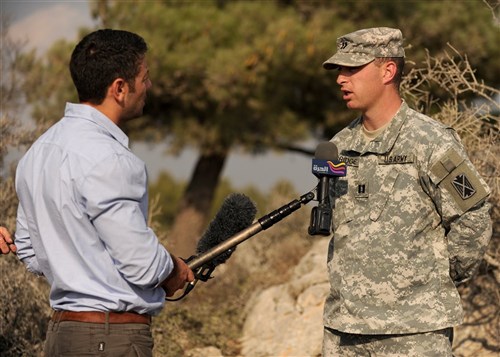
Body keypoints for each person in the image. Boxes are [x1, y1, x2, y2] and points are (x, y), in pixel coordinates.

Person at [14, 29, 194, 356]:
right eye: (145, 77)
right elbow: (141, 264)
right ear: (120, 88)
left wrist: (78, 267)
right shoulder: (112, 160)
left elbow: (29, 251)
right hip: (109, 339)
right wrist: (173, 269)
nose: (149, 87)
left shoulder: (36, 154)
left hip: (61, 336)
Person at [321, 27, 492, 356]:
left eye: (353, 68)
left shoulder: (431, 141)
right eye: (340, 70)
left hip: (414, 331)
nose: (342, 79)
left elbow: (474, 216)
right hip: (345, 329)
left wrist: (435, 278)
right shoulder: (339, 147)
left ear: (388, 70)